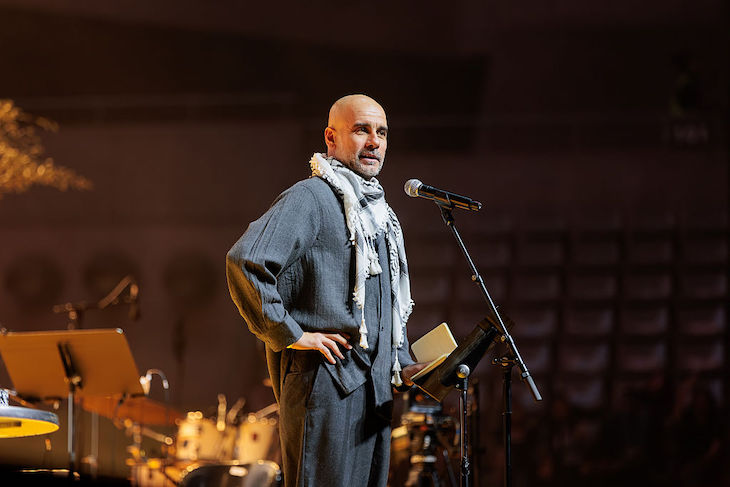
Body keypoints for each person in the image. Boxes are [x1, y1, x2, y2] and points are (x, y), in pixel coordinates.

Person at [226, 94, 426, 487]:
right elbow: (245, 261)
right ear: (331, 138)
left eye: (382, 132)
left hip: (376, 395)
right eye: (361, 130)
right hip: (326, 386)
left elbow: (383, 304)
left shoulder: (381, 215)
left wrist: (402, 362)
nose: (374, 141)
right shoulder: (311, 198)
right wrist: (292, 333)